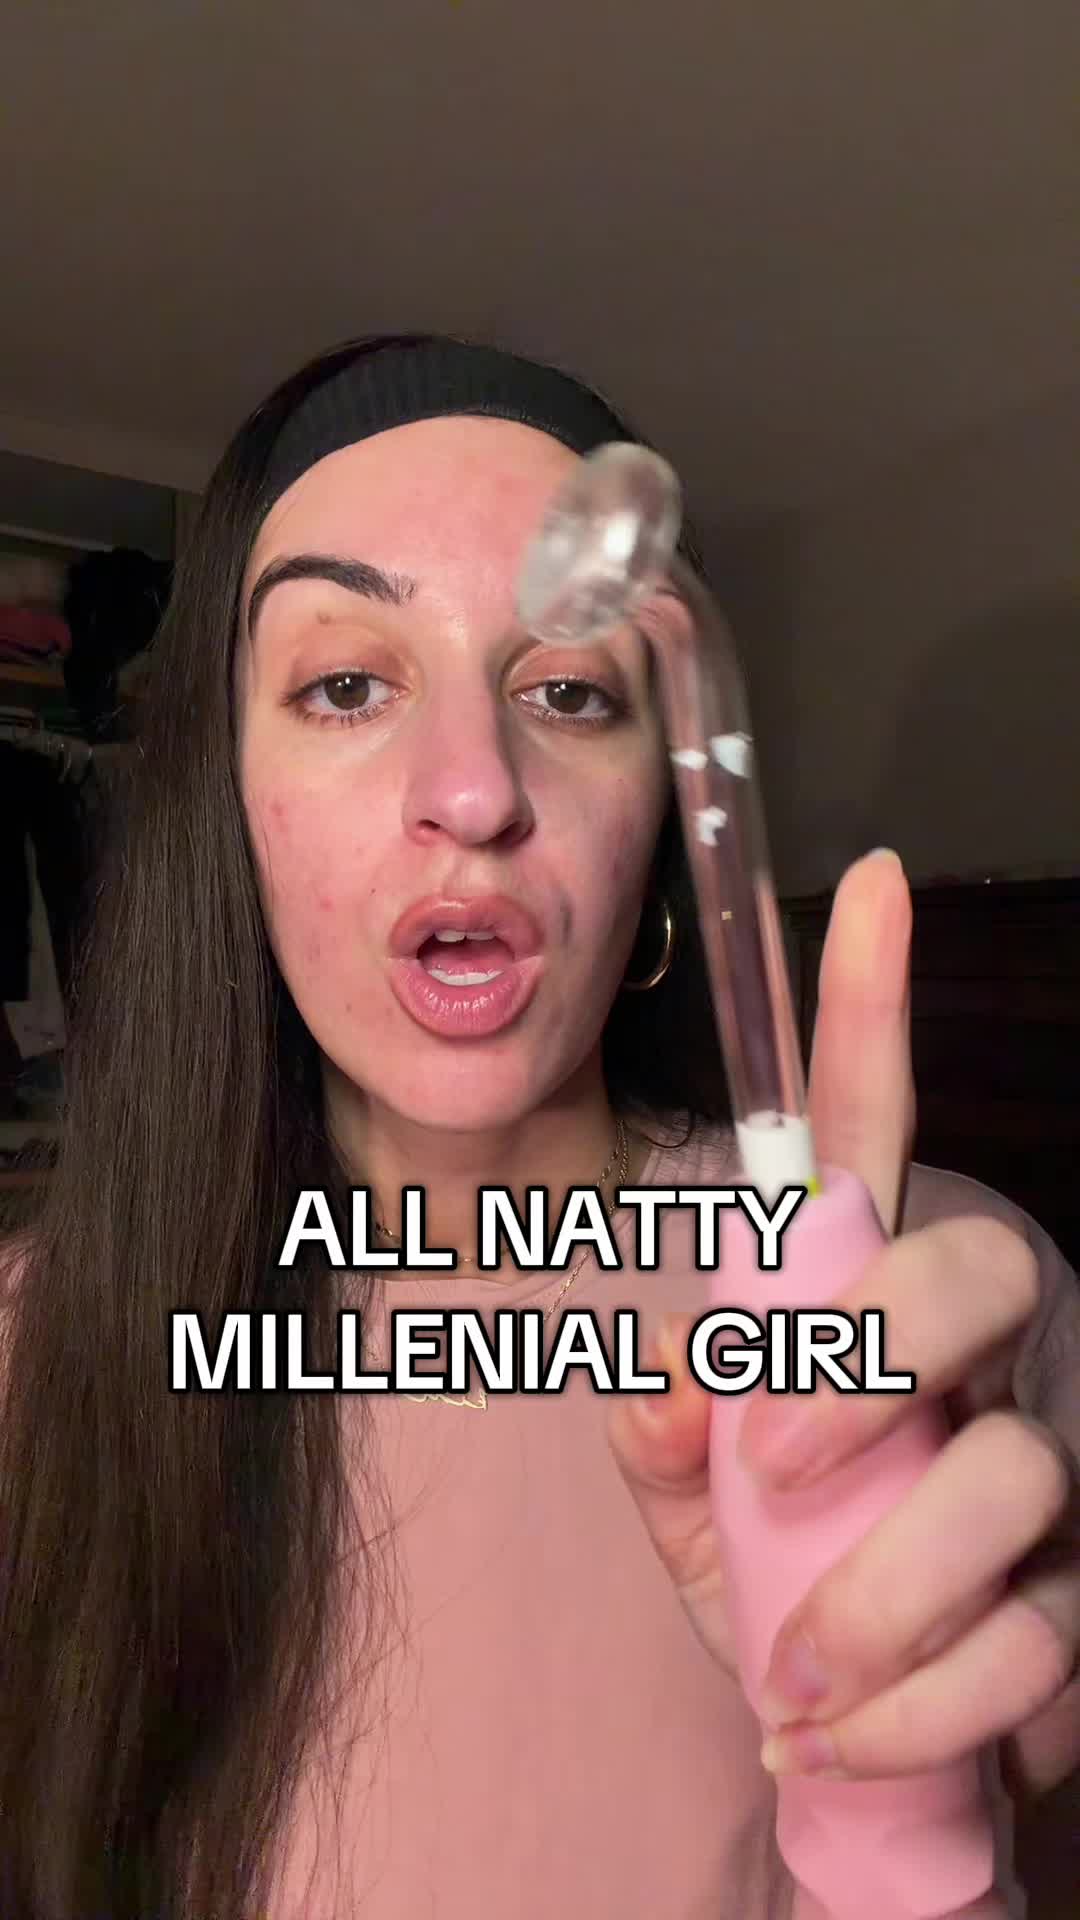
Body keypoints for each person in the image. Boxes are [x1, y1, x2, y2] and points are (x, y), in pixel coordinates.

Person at [0, 333, 1076, 1920]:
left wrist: (912, 1813)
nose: (473, 789)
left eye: (569, 690)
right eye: (346, 683)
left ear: (658, 829)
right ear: (231, 815)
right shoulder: (34, 1348)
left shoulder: (938, 1306)